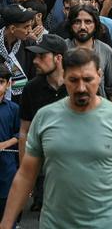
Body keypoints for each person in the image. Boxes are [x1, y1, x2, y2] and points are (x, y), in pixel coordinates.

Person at [0, 48, 112, 229]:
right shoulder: (45, 117)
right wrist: (6, 223)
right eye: (73, 80)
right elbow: (26, 175)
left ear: (99, 75)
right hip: (55, 223)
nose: (81, 88)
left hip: (107, 223)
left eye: (87, 79)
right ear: (64, 76)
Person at [19, 34, 67, 212]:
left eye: (41, 56)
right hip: (42, 169)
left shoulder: (77, 86)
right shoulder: (31, 89)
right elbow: (24, 131)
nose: (35, 61)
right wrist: (25, 172)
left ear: (58, 58)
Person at [65, 5, 112, 104]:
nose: (82, 27)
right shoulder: (62, 49)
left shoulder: (106, 51)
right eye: (77, 22)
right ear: (71, 24)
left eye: (88, 22)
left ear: (95, 24)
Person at [0, 5, 36, 104]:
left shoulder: (30, 44)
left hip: (22, 103)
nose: (30, 30)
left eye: (30, 26)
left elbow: (34, 76)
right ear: (12, 29)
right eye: (26, 27)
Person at [0, 66, 19, 220]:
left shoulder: (13, 109)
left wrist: (4, 144)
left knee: (6, 212)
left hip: (6, 167)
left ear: (8, 84)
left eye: (0, 82)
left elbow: (21, 134)